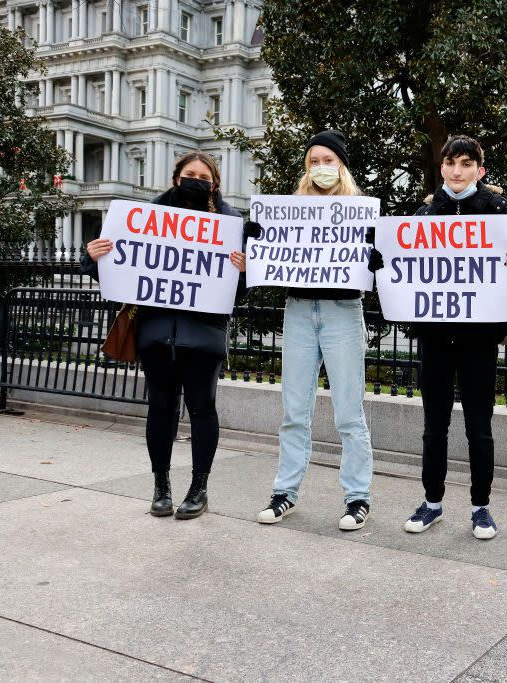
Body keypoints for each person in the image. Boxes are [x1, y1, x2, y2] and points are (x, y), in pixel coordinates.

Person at [374, 135, 507, 539]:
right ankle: (432, 502)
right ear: (441, 168)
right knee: (434, 423)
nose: (458, 172)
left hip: (479, 340)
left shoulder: (500, 212)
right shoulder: (424, 213)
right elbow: (404, 269)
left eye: (466, 164)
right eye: (451, 164)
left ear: (480, 168)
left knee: (480, 424)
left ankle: (481, 507)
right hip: (436, 337)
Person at [81, 151, 246, 519]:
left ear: (214, 183)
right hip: (156, 334)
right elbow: (118, 271)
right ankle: (161, 487)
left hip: (203, 336)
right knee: (160, 408)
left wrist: (244, 271)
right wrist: (91, 257)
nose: (196, 179)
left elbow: (240, 289)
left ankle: (198, 488)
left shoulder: (230, 223)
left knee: (202, 409)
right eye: (190, 173)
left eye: (204, 175)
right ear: (176, 178)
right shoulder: (144, 219)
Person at [253, 130, 376, 531]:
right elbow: (269, 255)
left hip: (343, 310)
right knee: (293, 411)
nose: (322, 167)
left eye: (329, 160)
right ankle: (284, 492)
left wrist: (375, 256)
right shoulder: (290, 210)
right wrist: (256, 243)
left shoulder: (361, 209)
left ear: (342, 165)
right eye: (314, 161)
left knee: (349, 413)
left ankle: (357, 498)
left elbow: (380, 264)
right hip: (300, 310)